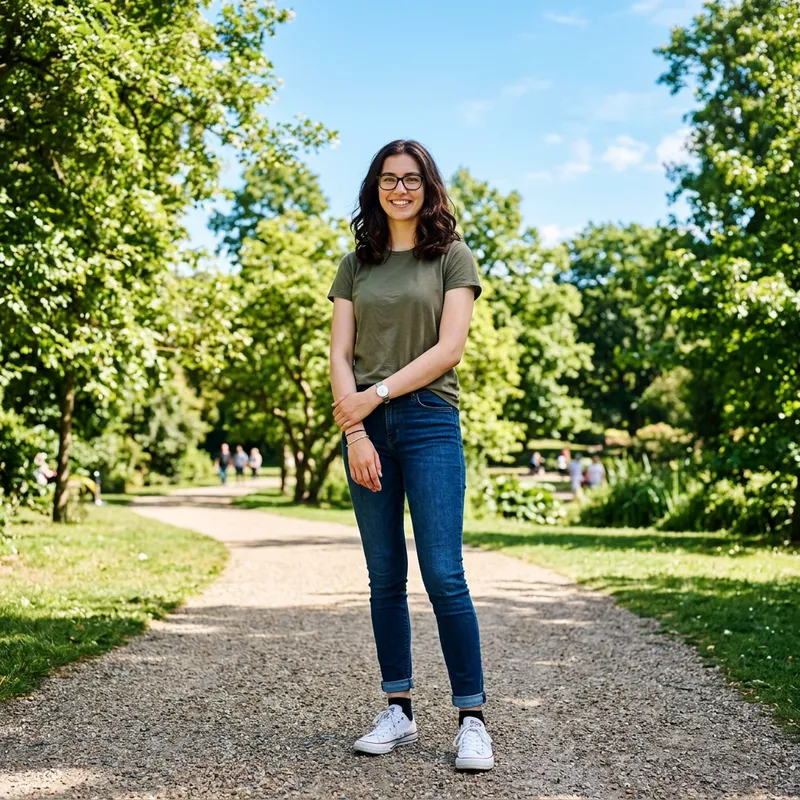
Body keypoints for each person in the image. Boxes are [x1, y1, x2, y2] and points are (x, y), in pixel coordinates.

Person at [328, 139, 493, 771]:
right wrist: (357, 432)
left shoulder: (452, 257)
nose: (401, 189)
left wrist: (376, 397)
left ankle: (472, 718)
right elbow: (340, 355)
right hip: (368, 431)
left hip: (428, 423)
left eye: (413, 179)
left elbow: (449, 348)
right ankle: (398, 707)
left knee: (444, 573)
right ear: (375, 187)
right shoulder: (354, 266)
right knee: (383, 577)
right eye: (390, 179)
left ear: (429, 188)